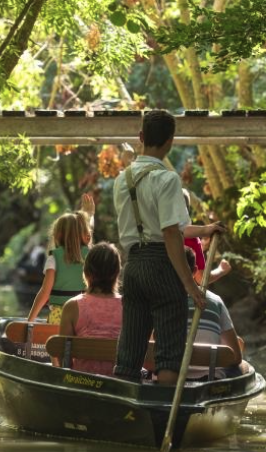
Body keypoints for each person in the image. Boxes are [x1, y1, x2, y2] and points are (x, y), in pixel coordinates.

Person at [112, 110, 205, 385]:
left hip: (134, 266)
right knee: (169, 351)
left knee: (129, 350)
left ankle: (125, 410)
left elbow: (160, 226)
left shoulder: (121, 180)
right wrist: (190, 286)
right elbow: (170, 234)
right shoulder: (168, 179)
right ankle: (163, 413)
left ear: (141, 137)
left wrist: (205, 229)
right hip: (163, 266)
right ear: (170, 141)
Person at [27, 194, 95, 324]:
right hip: (84, 316)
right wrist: (90, 215)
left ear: (58, 235)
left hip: (60, 317)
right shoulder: (91, 257)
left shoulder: (53, 259)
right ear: (85, 234)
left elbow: (44, 293)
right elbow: (88, 232)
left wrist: (29, 321)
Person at [59, 242, 123, 376]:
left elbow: (62, 358)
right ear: (117, 273)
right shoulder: (128, 306)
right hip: (119, 382)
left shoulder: (72, 306)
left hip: (82, 382)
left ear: (86, 271)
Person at [183, 247, 242, 380]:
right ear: (195, 271)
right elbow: (236, 356)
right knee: (241, 367)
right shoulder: (216, 301)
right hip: (211, 379)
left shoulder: (161, 302)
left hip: (169, 380)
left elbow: (150, 356)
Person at [181, 188, 231, 285]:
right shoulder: (192, 240)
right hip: (178, 293)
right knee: (216, 301)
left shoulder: (152, 230)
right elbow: (201, 279)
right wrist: (221, 270)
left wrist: (202, 247)